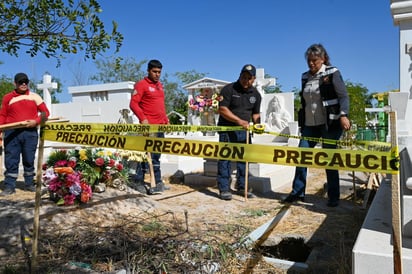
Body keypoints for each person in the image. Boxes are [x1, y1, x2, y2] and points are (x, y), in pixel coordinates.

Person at [282, 44, 351, 207]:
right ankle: (298, 193)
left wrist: (344, 115)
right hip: (310, 124)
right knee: (302, 155)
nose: (311, 64)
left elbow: (343, 96)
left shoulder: (332, 72)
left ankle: (333, 196)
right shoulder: (305, 76)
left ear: (323, 59)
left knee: (329, 159)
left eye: (314, 60)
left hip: (330, 123)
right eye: (309, 60)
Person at [216, 64, 262, 200]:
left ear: (253, 79)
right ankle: (224, 188)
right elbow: (222, 109)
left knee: (244, 160)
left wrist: (257, 125)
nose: (245, 80)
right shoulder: (228, 89)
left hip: (245, 132)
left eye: (249, 78)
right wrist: (238, 121)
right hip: (227, 130)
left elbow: (255, 114)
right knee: (225, 159)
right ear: (240, 75)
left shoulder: (256, 94)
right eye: (243, 77)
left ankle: (242, 187)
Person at [0, 73, 50, 196]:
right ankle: (9, 186)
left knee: (29, 159)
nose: (23, 84)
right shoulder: (7, 98)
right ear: (15, 83)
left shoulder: (35, 97)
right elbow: (2, 115)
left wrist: (36, 121)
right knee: (11, 159)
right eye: (20, 82)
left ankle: (29, 184)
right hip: (12, 133)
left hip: (30, 133)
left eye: (25, 82)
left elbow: (45, 113)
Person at [130, 59, 170, 193]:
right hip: (148, 128)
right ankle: (139, 181)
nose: (157, 74)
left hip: (159, 127)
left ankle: (158, 182)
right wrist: (143, 118)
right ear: (148, 71)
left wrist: (165, 119)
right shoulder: (141, 85)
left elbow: (159, 106)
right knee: (144, 156)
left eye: (159, 72)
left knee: (156, 155)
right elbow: (134, 104)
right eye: (154, 71)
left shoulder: (160, 86)